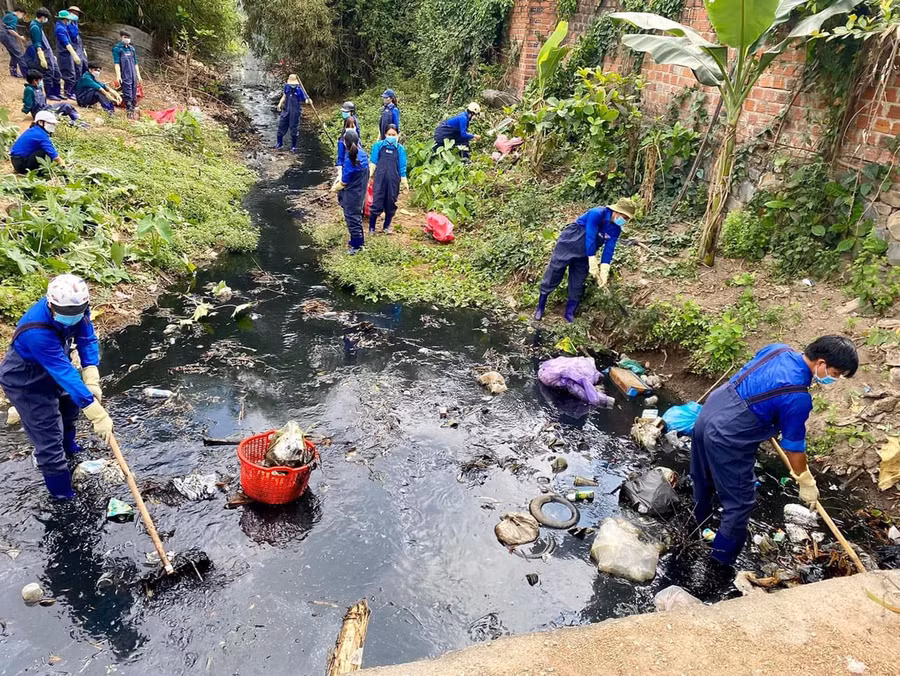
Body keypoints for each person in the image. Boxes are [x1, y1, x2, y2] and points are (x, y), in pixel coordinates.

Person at [691, 336, 858, 567]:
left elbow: (757, 378)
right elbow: (793, 447)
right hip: (728, 435)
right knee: (740, 503)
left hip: (711, 410)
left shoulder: (778, 349)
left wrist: (768, 414)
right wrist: (805, 480)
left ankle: (697, 524)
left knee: (703, 476)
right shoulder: (798, 397)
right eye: (836, 373)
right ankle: (719, 565)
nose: (835, 379)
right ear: (821, 363)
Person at [0, 274, 114, 499]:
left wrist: (91, 376)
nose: (72, 317)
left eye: (77, 312)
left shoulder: (80, 309)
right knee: (49, 439)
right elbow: (63, 372)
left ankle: (70, 451)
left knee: (69, 409)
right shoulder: (36, 330)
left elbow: (87, 339)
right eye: (67, 313)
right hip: (25, 380)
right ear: (50, 304)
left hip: (55, 364)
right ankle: (63, 498)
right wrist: (96, 414)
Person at [535, 197, 635, 322]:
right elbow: (590, 236)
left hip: (585, 254)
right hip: (570, 242)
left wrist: (604, 270)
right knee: (555, 271)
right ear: (617, 211)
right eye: (624, 217)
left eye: (627, 219)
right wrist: (592, 259)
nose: (624, 221)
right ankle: (540, 307)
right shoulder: (597, 213)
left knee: (578, 281)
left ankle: (569, 314)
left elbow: (609, 248)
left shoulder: (616, 229)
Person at [331, 128, 369, 253]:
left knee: (352, 218)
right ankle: (356, 241)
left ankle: (357, 246)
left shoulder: (349, 161)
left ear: (345, 143)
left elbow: (344, 182)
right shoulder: (362, 154)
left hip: (352, 194)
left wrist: (335, 188)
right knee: (356, 216)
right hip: (360, 191)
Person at [368, 124, 408, 235]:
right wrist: (370, 174)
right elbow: (374, 162)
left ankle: (386, 226)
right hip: (380, 179)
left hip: (393, 180)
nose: (391, 136)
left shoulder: (400, 149)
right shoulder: (378, 145)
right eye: (389, 134)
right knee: (377, 202)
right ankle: (372, 228)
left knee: (391, 202)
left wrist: (404, 179)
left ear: (397, 135)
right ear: (385, 134)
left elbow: (402, 166)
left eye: (393, 134)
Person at [25, 7, 62, 100]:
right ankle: (50, 93)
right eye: (45, 18)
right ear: (42, 17)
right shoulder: (35, 27)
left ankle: (57, 92)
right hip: (43, 53)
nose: (46, 20)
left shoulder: (38, 25)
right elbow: (38, 44)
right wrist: (42, 58)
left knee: (56, 72)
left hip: (48, 52)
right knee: (49, 73)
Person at [274, 73, 309, 152]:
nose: (292, 85)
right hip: (286, 110)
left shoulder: (299, 90)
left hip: (295, 112)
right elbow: (284, 96)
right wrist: (280, 104)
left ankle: (293, 146)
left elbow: (305, 100)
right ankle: (279, 143)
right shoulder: (287, 87)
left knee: (294, 129)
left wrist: (309, 101)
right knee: (281, 126)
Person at [112, 29, 141, 119]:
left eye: (128, 38)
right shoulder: (117, 49)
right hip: (125, 73)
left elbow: (136, 63)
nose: (127, 39)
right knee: (127, 91)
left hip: (133, 73)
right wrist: (118, 76)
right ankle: (129, 111)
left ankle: (133, 108)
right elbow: (116, 63)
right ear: (121, 37)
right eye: (125, 37)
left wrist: (138, 75)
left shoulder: (132, 49)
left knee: (133, 90)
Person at [54, 10, 79, 99]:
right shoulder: (60, 28)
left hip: (65, 53)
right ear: (65, 19)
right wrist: (74, 54)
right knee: (70, 74)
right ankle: (68, 92)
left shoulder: (63, 26)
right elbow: (66, 43)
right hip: (63, 53)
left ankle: (68, 92)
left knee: (69, 73)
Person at [0, 6, 27, 78]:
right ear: (19, 12)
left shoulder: (7, 15)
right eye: (23, 14)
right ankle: (26, 73)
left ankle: (13, 71)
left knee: (13, 53)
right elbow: (10, 30)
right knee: (18, 53)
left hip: (2, 35)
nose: (22, 16)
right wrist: (20, 37)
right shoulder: (14, 17)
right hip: (6, 35)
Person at [66, 6, 88, 80]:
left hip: (80, 48)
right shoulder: (67, 24)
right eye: (73, 13)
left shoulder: (75, 23)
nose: (75, 15)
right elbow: (71, 36)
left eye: (77, 14)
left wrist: (83, 49)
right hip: (73, 48)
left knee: (85, 66)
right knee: (77, 68)